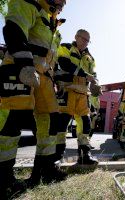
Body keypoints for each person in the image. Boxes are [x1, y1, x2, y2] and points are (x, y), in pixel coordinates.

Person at [0, 0, 67, 197]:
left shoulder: (52, 22)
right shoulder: (30, 3)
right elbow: (14, 28)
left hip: (44, 77)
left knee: (51, 121)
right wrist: (24, 62)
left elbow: (49, 56)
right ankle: (3, 179)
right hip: (20, 66)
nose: (64, 2)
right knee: (13, 121)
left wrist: (57, 80)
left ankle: (43, 170)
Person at [54, 29, 100, 165]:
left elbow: (94, 75)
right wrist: (86, 75)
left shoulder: (90, 58)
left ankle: (84, 156)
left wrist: (96, 84)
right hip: (67, 91)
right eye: (84, 39)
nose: (86, 43)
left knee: (85, 124)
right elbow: (64, 64)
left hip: (83, 94)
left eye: (88, 40)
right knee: (62, 123)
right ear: (76, 37)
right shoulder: (65, 47)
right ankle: (57, 156)